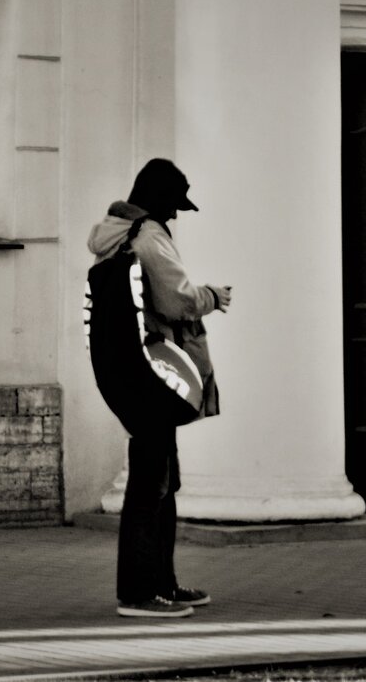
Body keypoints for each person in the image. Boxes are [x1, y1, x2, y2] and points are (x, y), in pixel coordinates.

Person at [86, 158, 232, 618]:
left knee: (162, 482)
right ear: (159, 199)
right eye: (174, 206)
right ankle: (138, 593)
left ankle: (163, 585)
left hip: (130, 371)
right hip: (152, 372)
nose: (176, 216)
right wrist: (212, 295)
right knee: (150, 486)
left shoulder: (116, 235)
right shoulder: (149, 236)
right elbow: (176, 298)